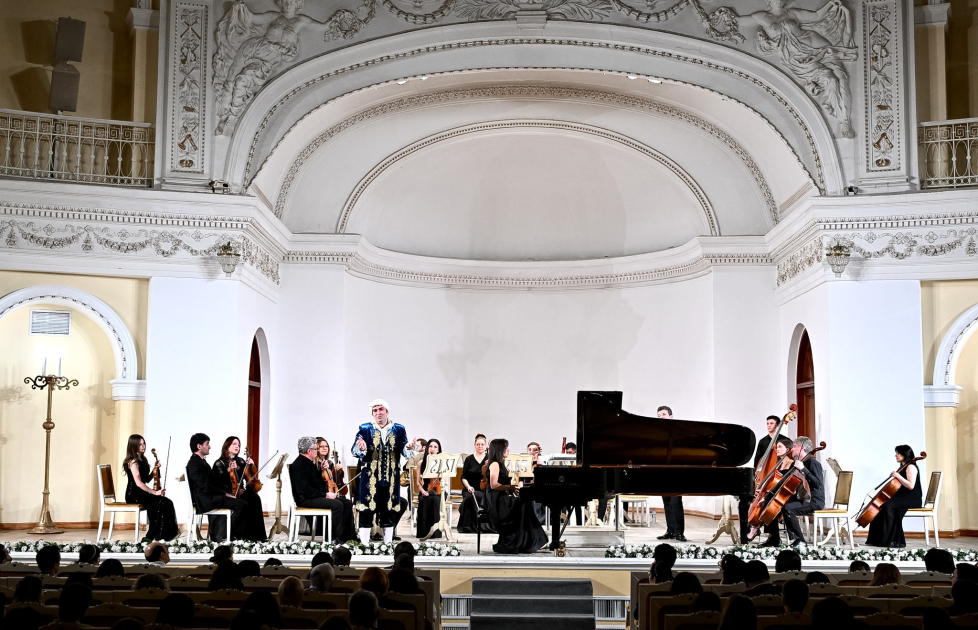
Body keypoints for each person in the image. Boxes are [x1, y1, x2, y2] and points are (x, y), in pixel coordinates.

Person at [351, 400, 415, 545]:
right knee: (367, 509)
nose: (378, 413)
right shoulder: (365, 428)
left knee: (389, 509)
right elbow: (355, 450)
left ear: (387, 411)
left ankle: (387, 544)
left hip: (391, 476)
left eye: (381, 409)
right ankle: (364, 545)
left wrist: (408, 447)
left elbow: (403, 450)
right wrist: (361, 448)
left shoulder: (399, 429)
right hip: (370, 477)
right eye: (375, 410)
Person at [484, 438, 548, 554]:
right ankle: (532, 541)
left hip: (501, 498)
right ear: (499, 449)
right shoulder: (495, 464)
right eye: (505, 447)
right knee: (524, 504)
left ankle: (531, 540)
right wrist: (511, 488)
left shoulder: (499, 463)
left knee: (525, 503)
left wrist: (512, 489)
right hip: (497, 502)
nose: (508, 449)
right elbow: (494, 485)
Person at [289, 436, 357, 544]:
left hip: (313, 496)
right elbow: (304, 491)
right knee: (337, 505)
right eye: (316, 449)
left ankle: (349, 537)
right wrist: (326, 495)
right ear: (309, 451)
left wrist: (322, 469)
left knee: (347, 503)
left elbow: (317, 484)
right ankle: (334, 537)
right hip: (305, 499)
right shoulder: (298, 465)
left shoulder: (309, 463)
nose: (318, 451)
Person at [759, 436, 824, 548]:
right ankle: (774, 538)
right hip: (803, 497)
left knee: (788, 508)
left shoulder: (813, 463)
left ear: (802, 448)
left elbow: (817, 484)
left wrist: (803, 469)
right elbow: (783, 481)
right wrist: (767, 495)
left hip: (814, 500)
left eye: (794, 446)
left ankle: (800, 540)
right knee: (772, 502)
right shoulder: (798, 463)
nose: (792, 449)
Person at [186, 433, 248, 541]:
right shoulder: (195, 464)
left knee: (242, 502)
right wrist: (225, 494)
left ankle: (233, 535)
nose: (209, 446)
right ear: (199, 446)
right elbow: (206, 486)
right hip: (205, 500)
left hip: (209, 497)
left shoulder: (201, 462)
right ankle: (226, 535)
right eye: (207, 444)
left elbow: (214, 482)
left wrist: (227, 493)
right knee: (241, 505)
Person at [122, 434, 179, 542]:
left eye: (144, 443)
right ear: (134, 446)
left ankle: (167, 535)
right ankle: (154, 535)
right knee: (160, 502)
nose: (143, 446)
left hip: (142, 493)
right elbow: (138, 483)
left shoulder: (142, 459)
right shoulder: (133, 462)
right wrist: (154, 492)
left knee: (167, 502)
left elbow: (146, 479)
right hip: (134, 494)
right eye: (140, 444)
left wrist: (155, 469)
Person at [212, 436, 268, 542]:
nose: (237, 446)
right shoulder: (219, 463)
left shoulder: (241, 461)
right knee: (244, 503)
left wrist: (252, 465)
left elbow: (248, 477)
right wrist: (228, 469)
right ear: (227, 446)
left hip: (240, 492)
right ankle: (240, 535)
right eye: (234, 444)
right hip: (227, 493)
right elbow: (217, 482)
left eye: (238, 445)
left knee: (255, 498)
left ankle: (257, 536)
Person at [866, 445, 922, 548]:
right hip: (904, 497)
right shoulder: (903, 466)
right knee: (881, 505)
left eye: (898, 453)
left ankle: (890, 540)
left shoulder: (911, 467)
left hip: (912, 498)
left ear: (905, 454)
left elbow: (911, 486)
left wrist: (897, 476)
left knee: (889, 506)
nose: (896, 455)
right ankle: (877, 539)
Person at [739, 415, 781, 542]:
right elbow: (758, 460)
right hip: (764, 477)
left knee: (767, 501)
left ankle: (762, 531)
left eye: (771, 423)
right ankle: (751, 526)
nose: (769, 425)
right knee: (751, 498)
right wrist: (756, 475)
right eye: (767, 423)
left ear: (778, 425)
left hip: (776, 479)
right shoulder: (763, 441)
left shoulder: (783, 441)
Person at [654, 406, 687, 542]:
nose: (660, 417)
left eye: (663, 414)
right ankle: (671, 531)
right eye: (658, 415)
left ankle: (679, 532)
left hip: (676, 470)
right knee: (667, 501)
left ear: (671, 417)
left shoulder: (678, 432)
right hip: (663, 470)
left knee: (676, 501)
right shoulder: (658, 433)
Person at [457, 434, 494, 534]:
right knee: (469, 497)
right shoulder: (469, 459)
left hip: (485, 489)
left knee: (482, 497)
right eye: (478, 444)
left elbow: (494, 476)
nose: (480, 446)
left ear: (485, 446)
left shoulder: (490, 459)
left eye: (482, 444)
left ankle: (482, 526)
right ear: (474, 446)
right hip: (470, 489)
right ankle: (469, 526)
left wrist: (489, 466)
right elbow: (463, 477)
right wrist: (468, 487)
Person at [415, 438, 444, 539]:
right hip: (425, 490)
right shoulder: (421, 463)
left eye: (435, 447)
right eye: (430, 446)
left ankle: (435, 532)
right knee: (426, 498)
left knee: (435, 498)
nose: (432, 449)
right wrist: (423, 491)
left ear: (438, 450)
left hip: (439, 490)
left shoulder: (442, 463)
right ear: (427, 448)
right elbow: (418, 482)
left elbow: (444, 480)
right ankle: (423, 532)